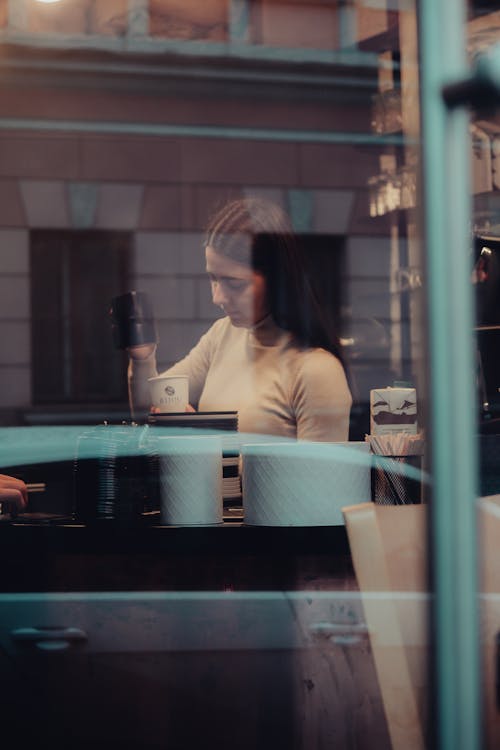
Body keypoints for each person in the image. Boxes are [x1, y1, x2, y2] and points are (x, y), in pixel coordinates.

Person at [127, 197, 352, 442]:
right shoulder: (222, 335)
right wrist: (143, 356)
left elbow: (320, 479)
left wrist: (200, 435)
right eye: (214, 278)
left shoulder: (316, 370)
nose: (218, 297)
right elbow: (150, 407)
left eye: (234, 283)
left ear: (276, 279)